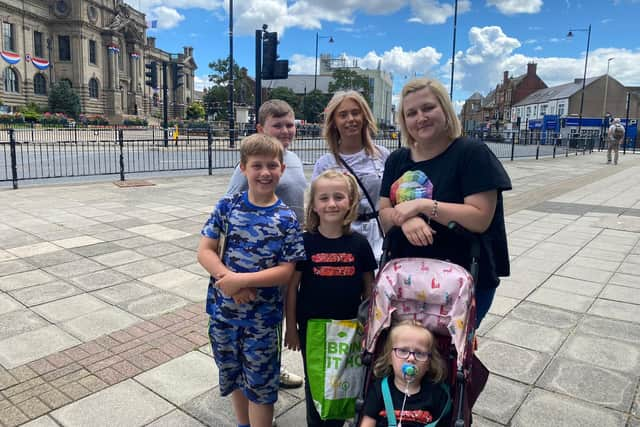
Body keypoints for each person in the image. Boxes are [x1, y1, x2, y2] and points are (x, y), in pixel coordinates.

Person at [379, 77, 511, 327]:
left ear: (445, 109)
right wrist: (405, 219)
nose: (421, 117)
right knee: (407, 356)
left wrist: (423, 206)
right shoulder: (397, 160)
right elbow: (384, 213)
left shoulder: (471, 153)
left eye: (428, 108)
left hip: (463, 279)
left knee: (447, 360)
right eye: (412, 113)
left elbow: (480, 218)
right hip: (407, 281)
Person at [198, 134, 305, 427]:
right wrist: (227, 280)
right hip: (224, 315)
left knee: (261, 384)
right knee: (233, 375)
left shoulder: (286, 219)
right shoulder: (227, 206)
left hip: (263, 320)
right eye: (257, 165)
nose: (265, 172)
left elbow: (286, 271)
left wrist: (240, 280)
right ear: (243, 168)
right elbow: (205, 251)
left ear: (282, 169)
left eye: (272, 165)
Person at [285, 170, 378, 427]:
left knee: (344, 381)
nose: (331, 204)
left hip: (349, 328)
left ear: (350, 202)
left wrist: (370, 328)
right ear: (313, 205)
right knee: (315, 384)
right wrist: (291, 328)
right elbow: (292, 288)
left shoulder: (359, 244)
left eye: (339, 197)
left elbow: (369, 289)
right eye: (324, 198)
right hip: (312, 328)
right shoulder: (304, 242)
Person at [226, 99, 307, 389]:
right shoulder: (252, 167)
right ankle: (249, 372)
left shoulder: (291, 160)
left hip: (287, 254)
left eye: (290, 124)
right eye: (278, 125)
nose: (286, 130)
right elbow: (229, 214)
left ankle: (270, 366)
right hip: (258, 258)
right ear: (261, 128)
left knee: (277, 315)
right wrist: (230, 275)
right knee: (257, 318)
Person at [313, 90, 390, 260]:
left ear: (364, 117)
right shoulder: (324, 163)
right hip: (341, 235)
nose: (350, 119)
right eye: (343, 115)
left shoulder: (383, 155)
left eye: (355, 113)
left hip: (378, 234)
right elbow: (316, 209)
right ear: (334, 121)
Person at [360, 320, 449, 427]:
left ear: (429, 364)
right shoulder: (379, 390)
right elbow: (368, 423)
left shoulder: (436, 395)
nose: (411, 358)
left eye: (420, 353)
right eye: (402, 351)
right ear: (389, 358)